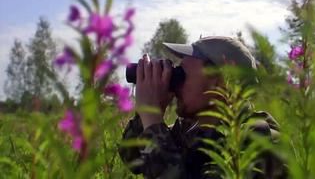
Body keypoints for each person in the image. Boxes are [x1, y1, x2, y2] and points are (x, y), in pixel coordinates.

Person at [119, 36, 286, 179]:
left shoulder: (259, 141)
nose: (174, 84)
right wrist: (149, 114)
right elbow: (133, 160)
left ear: (219, 81)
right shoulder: (191, 132)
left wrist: (153, 123)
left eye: (181, 75)